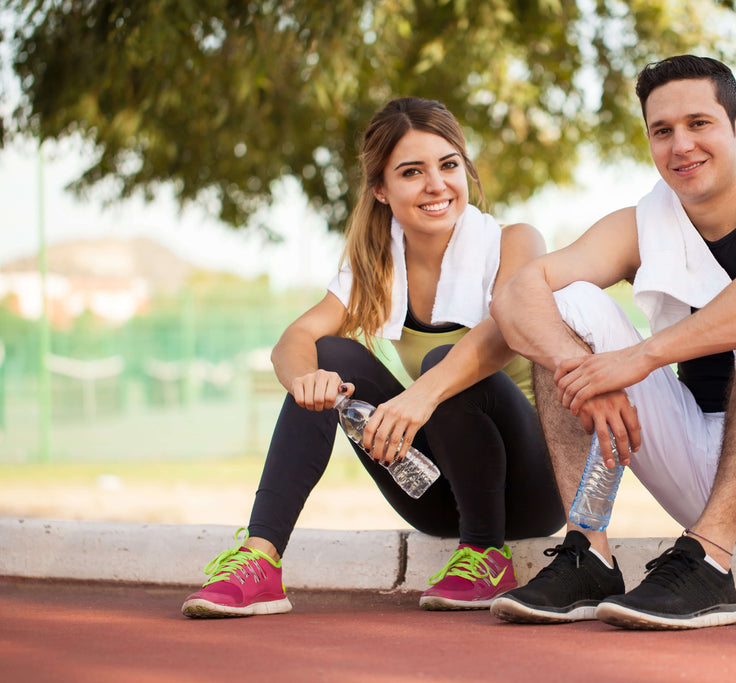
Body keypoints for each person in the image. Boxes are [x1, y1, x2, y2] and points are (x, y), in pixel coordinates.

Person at [488, 55, 736, 630]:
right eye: (662, 131)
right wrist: (581, 371)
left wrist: (640, 358)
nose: (681, 145)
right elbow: (519, 292)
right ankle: (587, 551)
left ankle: (710, 566)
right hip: (701, 468)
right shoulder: (645, 224)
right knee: (562, 305)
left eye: (699, 124)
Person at [181, 97, 563, 617]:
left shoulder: (515, 241)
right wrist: (306, 380)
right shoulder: (377, 265)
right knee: (327, 354)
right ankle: (260, 562)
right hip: (437, 495)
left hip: (537, 487)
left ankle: (486, 555)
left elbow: (500, 337)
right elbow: (292, 339)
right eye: (412, 172)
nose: (437, 185)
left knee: (448, 363)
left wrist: (420, 397)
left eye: (449, 166)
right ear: (381, 189)